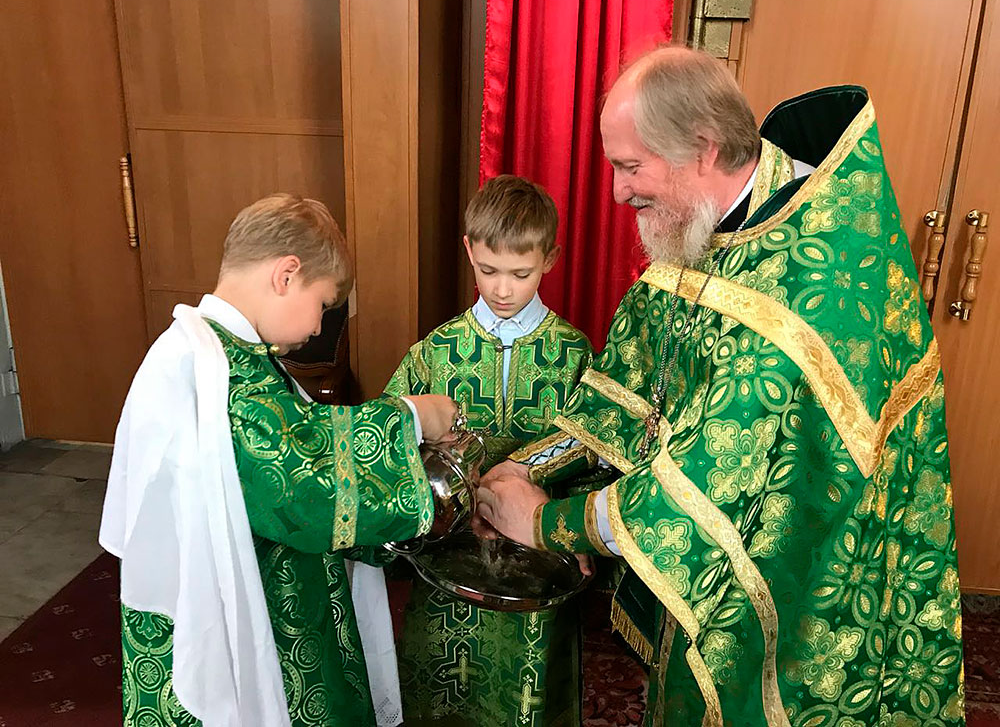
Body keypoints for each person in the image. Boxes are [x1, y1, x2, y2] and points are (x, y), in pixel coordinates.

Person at [476, 47, 965, 726]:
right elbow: (632, 391)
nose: (617, 192)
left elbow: (700, 485)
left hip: (808, 572)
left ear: (703, 149)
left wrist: (541, 522)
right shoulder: (713, 220)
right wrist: (524, 467)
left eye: (630, 166)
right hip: (716, 539)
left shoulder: (804, 286)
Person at [100, 194, 458, 727]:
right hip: (238, 620)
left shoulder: (209, 348)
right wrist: (411, 416)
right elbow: (300, 485)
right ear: (286, 275)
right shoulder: (225, 371)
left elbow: (297, 436)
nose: (317, 328)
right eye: (323, 304)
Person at [385, 175, 594, 726]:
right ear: (468, 251)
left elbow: (595, 449)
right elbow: (388, 439)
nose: (502, 289)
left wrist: (578, 530)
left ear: (549, 259)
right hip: (449, 552)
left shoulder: (573, 353)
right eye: (487, 270)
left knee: (524, 688)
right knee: (445, 684)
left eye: (520, 274)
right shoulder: (435, 351)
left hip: (534, 553)